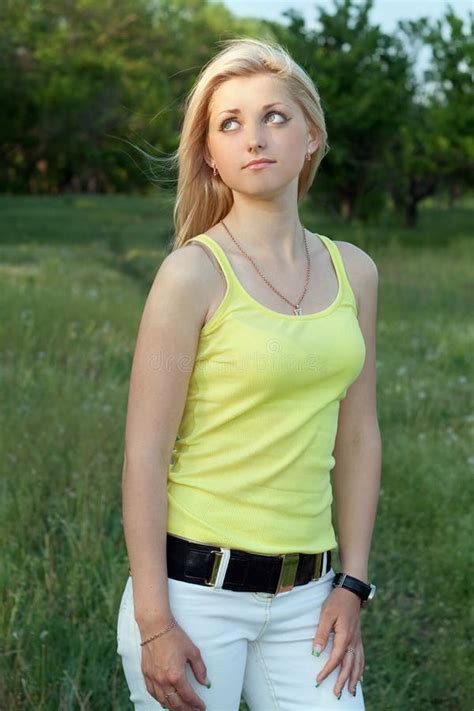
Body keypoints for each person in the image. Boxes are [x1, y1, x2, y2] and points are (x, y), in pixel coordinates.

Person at [116, 37, 381, 711]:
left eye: (275, 116)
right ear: (209, 152)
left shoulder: (355, 270)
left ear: (311, 136)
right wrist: (154, 623)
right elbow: (144, 454)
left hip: (311, 603)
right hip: (193, 598)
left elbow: (358, 436)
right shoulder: (192, 275)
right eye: (229, 122)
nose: (254, 137)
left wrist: (352, 584)